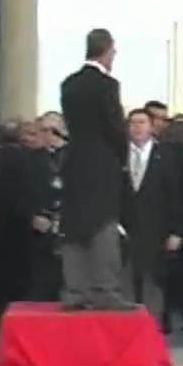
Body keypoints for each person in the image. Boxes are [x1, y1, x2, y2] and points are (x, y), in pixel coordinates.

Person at [58, 28, 136, 311]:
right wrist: (122, 157)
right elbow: (113, 126)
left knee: (74, 225)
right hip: (101, 163)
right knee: (104, 223)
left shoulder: (68, 84)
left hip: (74, 161)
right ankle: (105, 290)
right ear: (107, 51)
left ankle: (75, 290)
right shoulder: (107, 85)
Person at [119, 108, 183, 329]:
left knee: (153, 281)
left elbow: (176, 195)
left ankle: (151, 328)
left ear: (151, 126)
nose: (137, 127)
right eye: (133, 123)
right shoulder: (119, 155)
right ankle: (126, 328)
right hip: (125, 228)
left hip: (156, 228)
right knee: (125, 279)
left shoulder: (166, 156)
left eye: (142, 122)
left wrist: (176, 231)